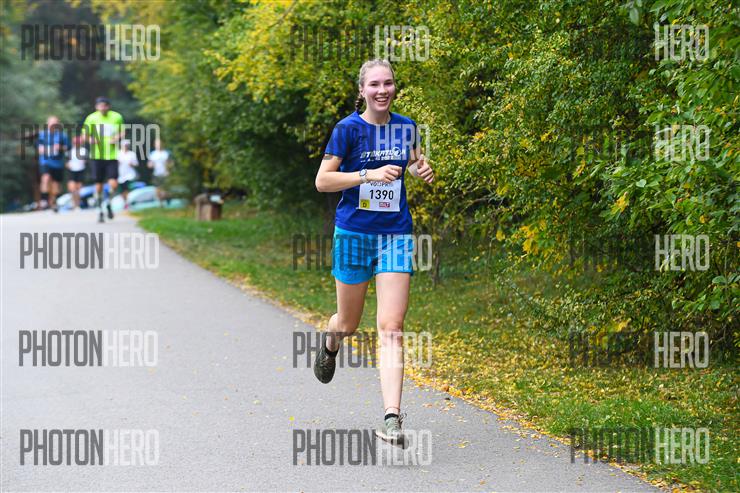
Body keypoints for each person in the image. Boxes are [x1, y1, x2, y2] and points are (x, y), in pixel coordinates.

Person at [313, 59, 434, 447]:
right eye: (375, 85)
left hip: (395, 235)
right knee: (348, 323)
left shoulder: (406, 127)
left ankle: (392, 418)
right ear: (362, 90)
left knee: (391, 327)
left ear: (395, 87)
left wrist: (420, 169)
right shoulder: (347, 130)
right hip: (353, 235)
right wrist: (368, 174)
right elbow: (322, 181)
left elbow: (412, 162)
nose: (383, 90)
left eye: (389, 83)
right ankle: (331, 342)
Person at [82, 96, 124, 222]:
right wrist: (91, 140)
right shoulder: (91, 118)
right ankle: (100, 208)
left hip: (112, 155)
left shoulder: (116, 117)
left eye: (105, 105)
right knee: (98, 185)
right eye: (100, 105)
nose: (102, 108)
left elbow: (122, 131)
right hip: (97, 156)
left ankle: (108, 202)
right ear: (96, 107)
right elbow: (84, 135)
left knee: (114, 184)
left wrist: (116, 138)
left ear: (108, 106)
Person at [37, 116, 69, 212]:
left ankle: (54, 202)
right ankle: (44, 200)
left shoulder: (63, 135)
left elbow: (67, 148)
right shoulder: (42, 135)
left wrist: (60, 148)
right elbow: (39, 149)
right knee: (45, 178)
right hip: (45, 161)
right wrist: (49, 149)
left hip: (58, 163)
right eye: (51, 123)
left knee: (56, 184)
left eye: (55, 123)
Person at [147, 139, 171, 206]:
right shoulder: (153, 154)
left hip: (165, 173)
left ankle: (166, 197)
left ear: (162, 144)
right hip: (156, 173)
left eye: (160, 144)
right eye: (157, 144)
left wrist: (169, 167)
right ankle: (161, 204)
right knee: (157, 190)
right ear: (155, 145)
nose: (159, 145)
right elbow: (149, 164)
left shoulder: (166, 153)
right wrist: (150, 165)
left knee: (165, 189)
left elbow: (171, 162)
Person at [66, 136, 87, 209]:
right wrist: (68, 165)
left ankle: (77, 204)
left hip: (80, 170)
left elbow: (86, 160)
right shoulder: (70, 151)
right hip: (72, 171)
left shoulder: (83, 150)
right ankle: (74, 204)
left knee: (78, 189)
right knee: (72, 189)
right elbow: (66, 161)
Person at [117, 140, 138, 209]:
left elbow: (136, 164)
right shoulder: (118, 154)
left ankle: (127, 203)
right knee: (122, 190)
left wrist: (131, 164)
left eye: (126, 145)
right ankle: (125, 203)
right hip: (120, 175)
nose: (125, 147)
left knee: (127, 189)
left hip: (130, 175)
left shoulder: (132, 154)